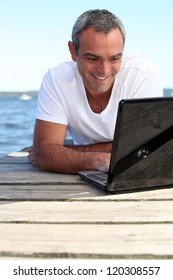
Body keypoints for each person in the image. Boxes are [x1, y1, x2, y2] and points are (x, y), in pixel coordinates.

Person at [28, 9, 163, 174]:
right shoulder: (57, 79)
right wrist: (98, 159)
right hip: (83, 173)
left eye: (114, 58)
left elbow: (146, 148)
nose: (104, 70)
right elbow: (43, 154)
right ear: (73, 51)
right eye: (92, 58)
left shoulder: (142, 73)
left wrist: (67, 151)